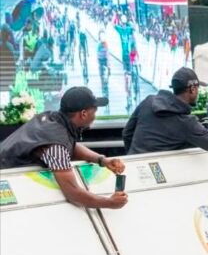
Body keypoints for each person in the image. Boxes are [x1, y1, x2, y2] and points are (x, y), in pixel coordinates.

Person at [0, 86, 128, 209]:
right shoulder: (55, 144)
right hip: (7, 183)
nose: (95, 116)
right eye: (94, 112)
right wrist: (110, 203)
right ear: (83, 114)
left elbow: (70, 146)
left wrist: (102, 160)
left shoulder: (52, 119)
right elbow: (72, 193)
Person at [123, 67, 208, 155]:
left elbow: (127, 133)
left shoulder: (148, 101)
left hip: (133, 167)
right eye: (198, 88)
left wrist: (134, 157)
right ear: (192, 89)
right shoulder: (186, 122)